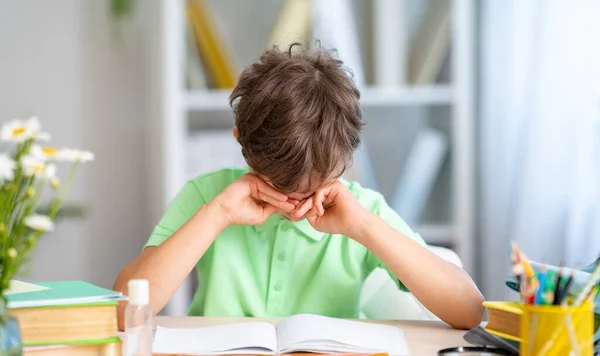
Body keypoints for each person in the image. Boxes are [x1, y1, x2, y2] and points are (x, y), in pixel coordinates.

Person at [113, 44, 484, 330]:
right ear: (239, 140)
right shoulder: (208, 197)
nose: (294, 205)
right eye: (277, 183)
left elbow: (469, 310)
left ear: (347, 156)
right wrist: (219, 215)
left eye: (313, 187)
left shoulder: (359, 209)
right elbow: (122, 310)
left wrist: (364, 227)